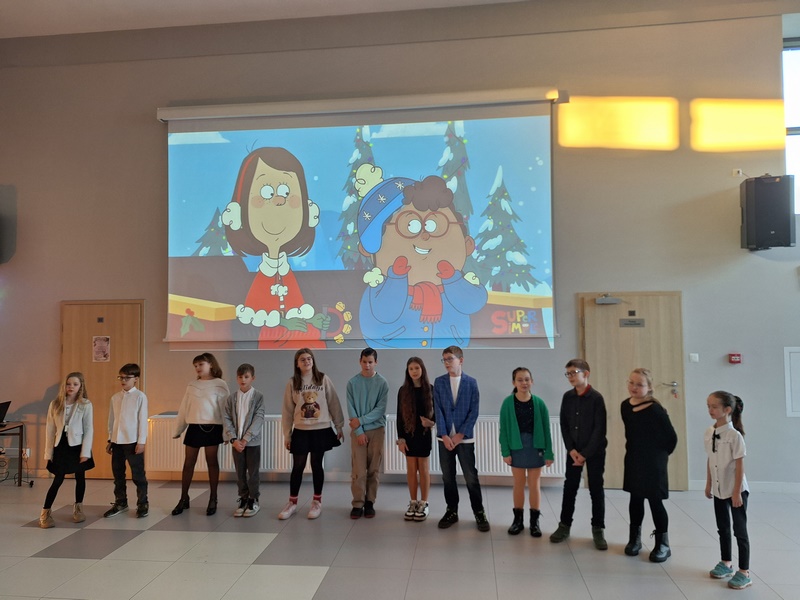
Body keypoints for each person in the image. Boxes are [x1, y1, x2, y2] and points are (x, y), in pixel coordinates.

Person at [222, 147, 330, 349]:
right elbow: (255, 311)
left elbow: (296, 307)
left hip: (298, 339)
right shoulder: (264, 274)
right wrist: (284, 322)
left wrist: (313, 320)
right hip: (273, 339)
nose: (278, 202)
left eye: (287, 193)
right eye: (266, 193)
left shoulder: (286, 272)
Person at [279, 348, 344, 520]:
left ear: (313, 361)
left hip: (320, 429)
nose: (307, 361)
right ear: (297, 364)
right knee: (298, 466)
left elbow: (333, 402)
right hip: (301, 430)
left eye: (309, 358)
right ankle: (292, 502)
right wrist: (287, 434)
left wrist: (339, 426)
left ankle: (316, 501)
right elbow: (287, 410)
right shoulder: (293, 382)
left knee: (316, 464)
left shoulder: (322, 378)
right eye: (303, 359)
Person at [621, 368, 678, 562]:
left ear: (649, 387)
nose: (634, 387)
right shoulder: (625, 406)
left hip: (654, 463)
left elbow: (671, 438)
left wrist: (658, 457)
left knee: (655, 501)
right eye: (631, 382)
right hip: (634, 459)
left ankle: (663, 544)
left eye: (640, 384)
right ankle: (634, 540)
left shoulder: (655, 409)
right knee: (635, 499)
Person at [550, 359, 608, 549]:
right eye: (568, 374)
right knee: (570, 487)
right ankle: (564, 525)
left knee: (596, 488)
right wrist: (572, 450)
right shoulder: (567, 397)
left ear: (586, 373)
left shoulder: (596, 398)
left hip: (594, 451)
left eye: (574, 372)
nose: (571, 377)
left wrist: (585, 454)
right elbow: (564, 425)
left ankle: (598, 528)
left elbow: (599, 430)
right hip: (574, 451)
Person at [434, 345, 490, 532]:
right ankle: (452, 511)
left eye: (450, 359)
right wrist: (444, 435)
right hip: (444, 439)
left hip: (464, 439)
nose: (447, 363)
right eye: (444, 359)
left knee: (470, 477)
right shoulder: (439, 382)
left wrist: (459, 435)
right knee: (448, 477)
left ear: (461, 360)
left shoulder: (471, 383)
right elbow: (438, 410)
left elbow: (474, 412)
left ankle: (479, 512)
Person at [172, 353, 230, 516]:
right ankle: (184, 498)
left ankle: (213, 498)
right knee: (188, 463)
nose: (197, 368)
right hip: (194, 427)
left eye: (201, 364)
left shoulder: (220, 384)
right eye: (195, 366)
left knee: (212, 463)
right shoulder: (192, 385)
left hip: (213, 428)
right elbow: (184, 408)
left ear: (210, 364)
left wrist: (227, 433)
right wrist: (178, 429)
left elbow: (226, 411)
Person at [499, 367, 553, 537]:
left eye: (527, 379)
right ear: (514, 383)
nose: (524, 383)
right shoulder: (507, 403)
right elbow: (503, 430)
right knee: (519, 483)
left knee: (535, 484)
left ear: (532, 381)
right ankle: (518, 521)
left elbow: (546, 430)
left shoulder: (540, 403)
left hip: (536, 447)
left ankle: (534, 522)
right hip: (516, 447)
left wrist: (549, 453)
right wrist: (505, 452)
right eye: (520, 380)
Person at [705, 391, 751, 590]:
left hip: (735, 490)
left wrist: (737, 492)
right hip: (719, 488)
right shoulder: (709, 432)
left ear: (727, 410)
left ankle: (744, 571)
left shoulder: (734, 436)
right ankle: (726, 563)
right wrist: (708, 484)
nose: (710, 410)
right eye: (708, 406)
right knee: (722, 527)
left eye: (714, 406)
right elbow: (710, 459)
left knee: (739, 530)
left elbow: (740, 466)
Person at [39, 372, 94, 528]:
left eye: (75, 384)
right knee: (58, 479)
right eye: (69, 384)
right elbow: (50, 429)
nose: (71, 387)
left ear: (80, 386)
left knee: (80, 477)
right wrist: (48, 452)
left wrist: (85, 452)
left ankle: (78, 508)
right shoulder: (55, 404)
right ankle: (45, 512)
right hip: (61, 445)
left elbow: (89, 429)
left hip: (77, 445)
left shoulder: (85, 404)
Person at [346, 347, 389, 518]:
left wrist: (361, 421)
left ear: (376, 362)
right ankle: (358, 503)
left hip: (376, 430)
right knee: (358, 469)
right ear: (360, 361)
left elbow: (380, 410)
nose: (367, 365)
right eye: (364, 362)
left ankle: (370, 501)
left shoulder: (382, 383)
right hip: (358, 432)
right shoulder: (352, 383)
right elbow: (351, 409)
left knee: (373, 469)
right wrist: (358, 431)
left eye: (370, 362)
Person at [104, 363, 149, 519]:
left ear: (136, 378)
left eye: (127, 378)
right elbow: (112, 420)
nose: (123, 380)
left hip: (132, 442)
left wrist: (141, 441)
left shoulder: (140, 397)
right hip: (117, 441)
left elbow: (142, 420)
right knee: (118, 474)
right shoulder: (115, 397)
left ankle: (142, 503)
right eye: (121, 377)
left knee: (138, 474)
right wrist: (110, 439)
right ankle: (121, 502)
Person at [222, 363, 265, 518]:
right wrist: (233, 439)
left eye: (246, 377)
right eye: (240, 377)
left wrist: (246, 439)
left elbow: (259, 417)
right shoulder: (232, 398)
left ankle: (254, 499)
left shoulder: (258, 396)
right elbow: (226, 418)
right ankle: (243, 498)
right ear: (237, 378)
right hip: (236, 443)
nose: (243, 380)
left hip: (251, 443)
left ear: (253, 378)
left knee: (253, 473)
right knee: (240, 473)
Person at [396, 357, 435, 521]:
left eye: (417, 368)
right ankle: (413, 502)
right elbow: (399, 416)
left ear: (422, 369)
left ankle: (424, 503)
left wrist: (431, 423)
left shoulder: (430, 389)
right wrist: (401, 439)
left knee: (424, 469)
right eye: (411, 369)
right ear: (408, 371)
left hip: (424, 434)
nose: (414, 371)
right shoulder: (403, 390)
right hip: (408, 435)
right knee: (411, 469)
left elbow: (437, 413)